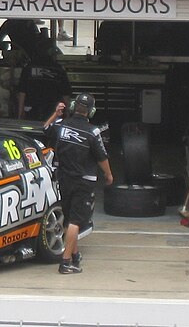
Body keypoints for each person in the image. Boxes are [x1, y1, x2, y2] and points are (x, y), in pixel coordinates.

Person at [43, 93, 113, 274]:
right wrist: (109, 175)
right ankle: (66, 262)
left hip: (64, 179)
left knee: (68, 218)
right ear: (91, 111)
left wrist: (56, 114)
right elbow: (102, 157)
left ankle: (75, 255)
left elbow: (45, 128)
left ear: (74, 107)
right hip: (84, 181)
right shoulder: (93, 131)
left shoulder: (61, 125)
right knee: (76, 221)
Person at [17, 51, 72, 121]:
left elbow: (22, 92)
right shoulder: (59, 69)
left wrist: (20, 113)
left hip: (31, 109)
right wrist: (67, 114)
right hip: (53, 110)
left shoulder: (28, 67)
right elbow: (66, 94)